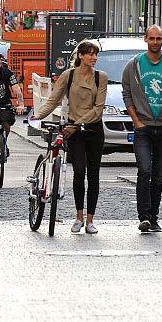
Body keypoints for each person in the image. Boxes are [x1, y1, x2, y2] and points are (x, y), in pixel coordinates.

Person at [33, 41, 108, 235]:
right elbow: (53, 99)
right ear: (80, 56)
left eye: (96, 54)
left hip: (92, 129)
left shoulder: (101, 78)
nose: (94, 58)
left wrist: (77, 124)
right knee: (79, 172)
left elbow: (98, 109)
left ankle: (91, 220)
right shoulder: (69, 75)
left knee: (93, 174)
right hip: (74, 131)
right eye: (90, 54)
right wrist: (37, 115)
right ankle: (78, 217)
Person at [122, 25, 162, 233]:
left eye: (159, 39)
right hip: (143, 128)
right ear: (145, 39)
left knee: (158, 175)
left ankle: (154, 217)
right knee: (144, 170)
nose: (155, 42)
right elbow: (127, 94)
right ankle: (144, 217)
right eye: (152, 38)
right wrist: (136, 121)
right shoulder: (134, 64)